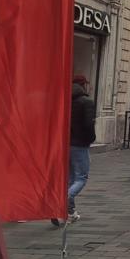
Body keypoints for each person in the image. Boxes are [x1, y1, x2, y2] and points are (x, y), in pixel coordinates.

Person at [53, 76, 96, 226]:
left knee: (71, 179)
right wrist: (91, 139)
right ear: (83, 85)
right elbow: (88, 125)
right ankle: (62, 204)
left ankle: (70, 213)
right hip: (80, 144)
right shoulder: (86, 102)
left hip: (66, 144)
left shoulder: (66, 101)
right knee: (81, 178)